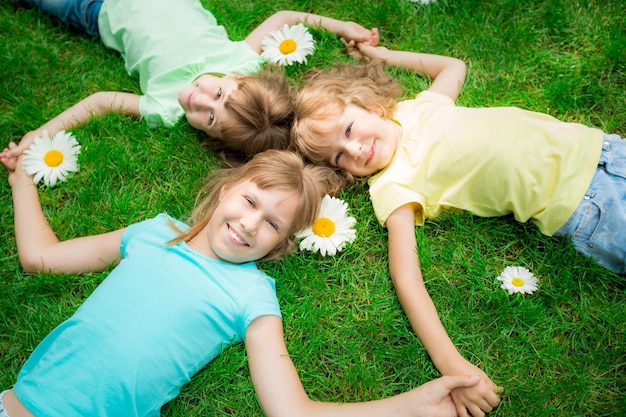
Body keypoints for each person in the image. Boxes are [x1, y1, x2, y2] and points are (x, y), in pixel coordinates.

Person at [0, 147, 482, 417]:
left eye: (273, 224)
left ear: (279, 247)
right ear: (227, 189)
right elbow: (41, 258)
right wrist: (23, 181)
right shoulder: (154, 232)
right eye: (251, 202)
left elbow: (292, 412)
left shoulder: (253, 296)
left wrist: (413, 405)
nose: (252, 225)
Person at [292, 44, 625, 416]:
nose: (354, 149)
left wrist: (383, 55)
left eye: (348, 128)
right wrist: (452, 364)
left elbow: (452, 67)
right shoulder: (392, 185)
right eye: (338, 156)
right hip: (586, 206)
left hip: (604, 148)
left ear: (368, 105)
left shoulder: (419, 107)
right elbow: (406, 277)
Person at [2, 0, 380, 162]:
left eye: (210, 119)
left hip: (94, 9)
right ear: (235, 78)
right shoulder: (240, 58)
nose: (198, 101)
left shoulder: (165, 108)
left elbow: (100, 101)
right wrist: (340, 27)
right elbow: (283, 17)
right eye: (217, 93)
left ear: (210, 138)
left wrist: (40, 134)